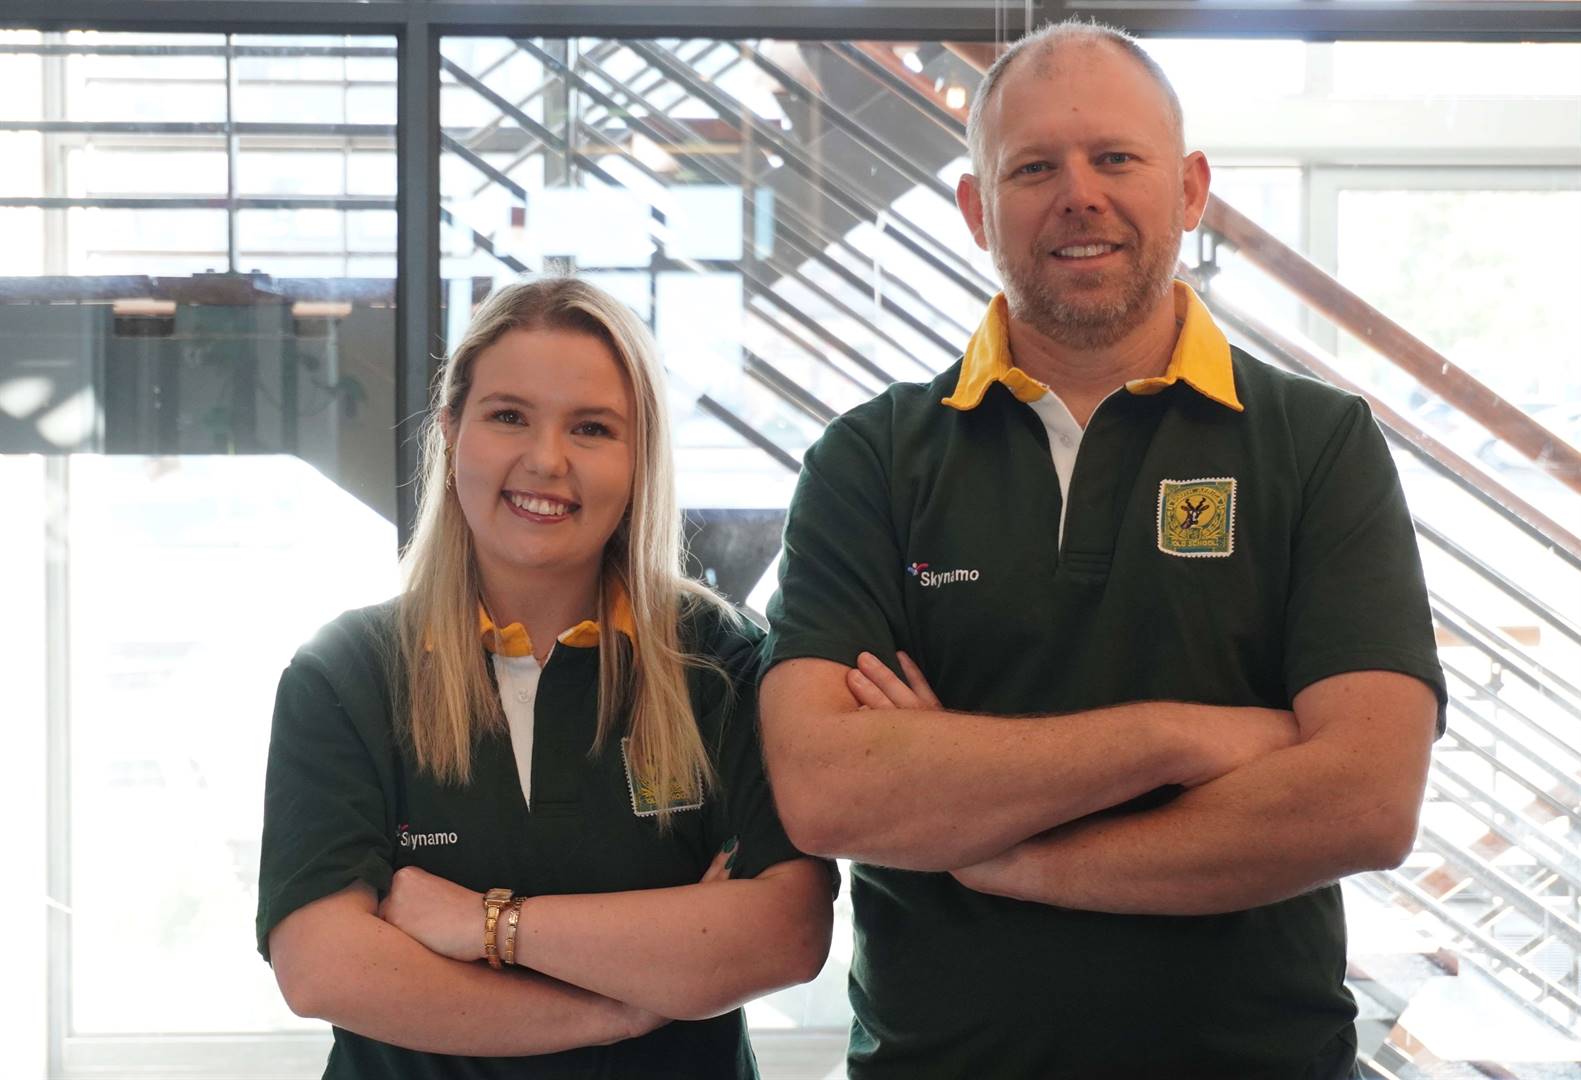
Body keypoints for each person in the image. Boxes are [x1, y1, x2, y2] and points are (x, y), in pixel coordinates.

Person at [758, 20, 1445, 1080]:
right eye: (1033, 167)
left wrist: (1001, 853)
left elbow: (1364, 800)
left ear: (1190, 190)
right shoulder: (871, 460)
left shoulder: (1318, 443)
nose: (1079, 195)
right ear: (976, 210)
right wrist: (1178, 737)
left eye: (1116, 157)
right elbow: (828, 790)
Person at [256, 277, 833, 1079]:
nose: (546, 460)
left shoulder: (721, 661)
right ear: (451, 430)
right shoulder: (345, 674)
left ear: (638, 459)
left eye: (591, 428)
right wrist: (621, 1011)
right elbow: (325, 968)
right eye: (508, 417)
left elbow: (784, 934)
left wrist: (485, 925)